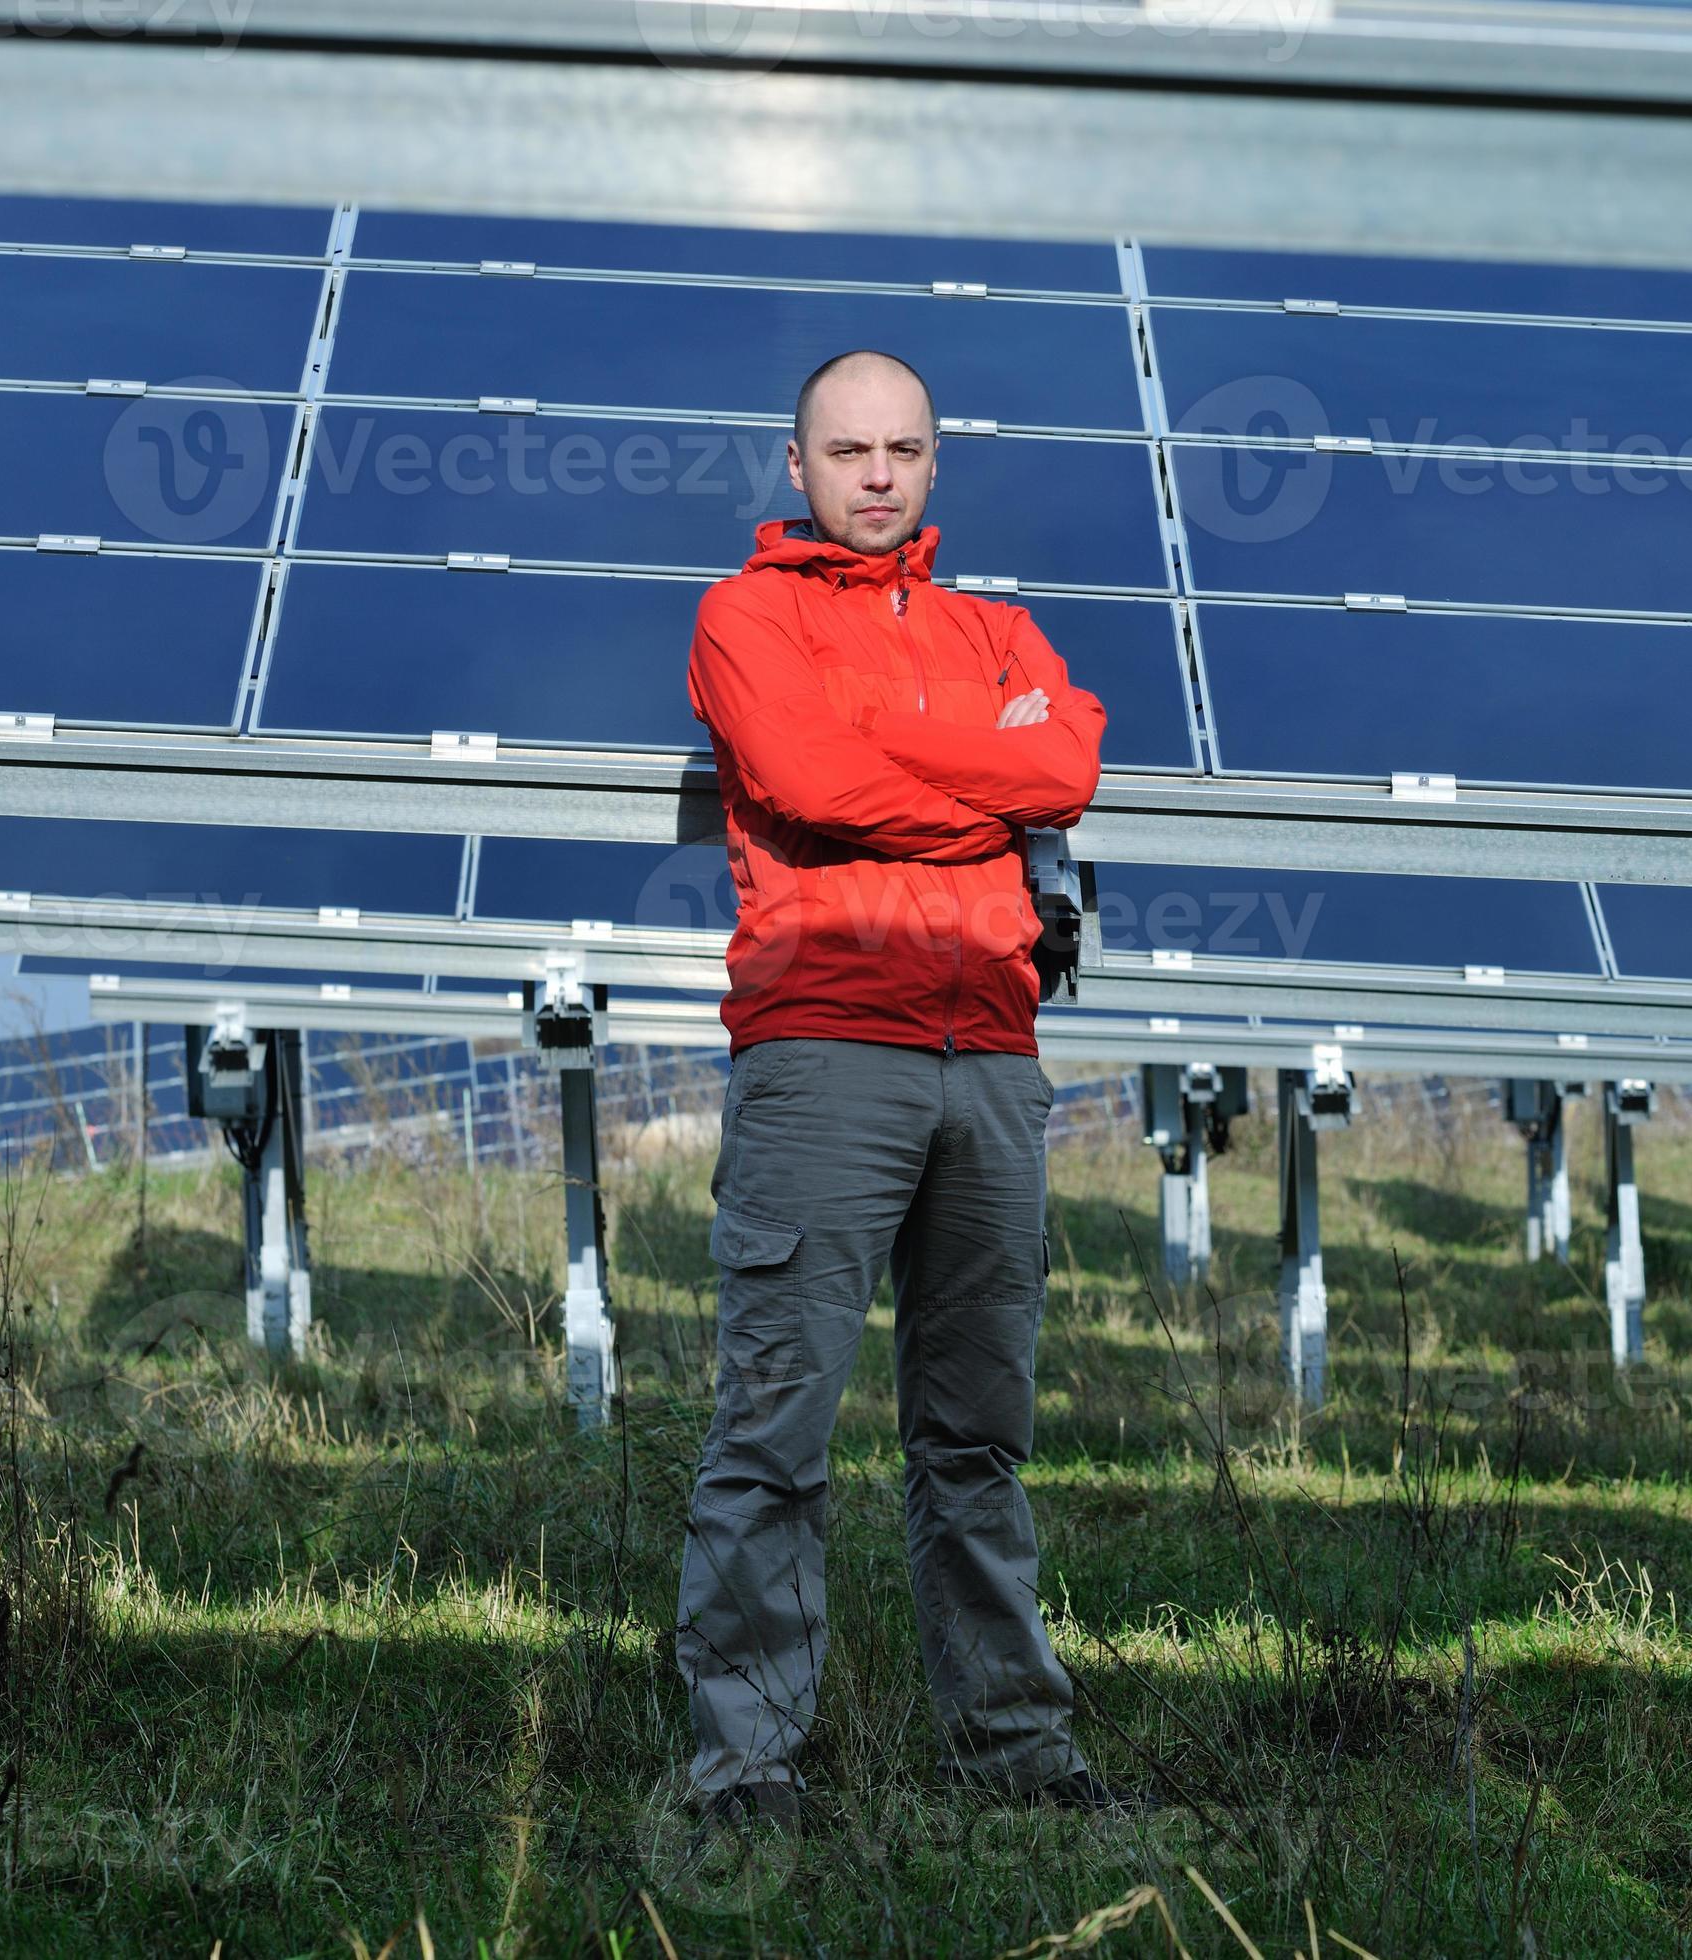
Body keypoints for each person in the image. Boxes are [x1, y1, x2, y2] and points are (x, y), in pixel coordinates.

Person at [672, 349, 1118, 1828]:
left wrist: (909, 754)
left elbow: (1068, 766)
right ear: (795, 464)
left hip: (990, 1056)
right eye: (849, 449)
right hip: (824, 1050)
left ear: (935, 464)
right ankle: (747, 1770)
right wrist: (982, 779)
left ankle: (1017, 1755)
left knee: (978, 1438)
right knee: (776, 1433)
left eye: (904, 450)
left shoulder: (998, 629)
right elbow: (808, 782)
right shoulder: (748, 617)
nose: (877, 475)